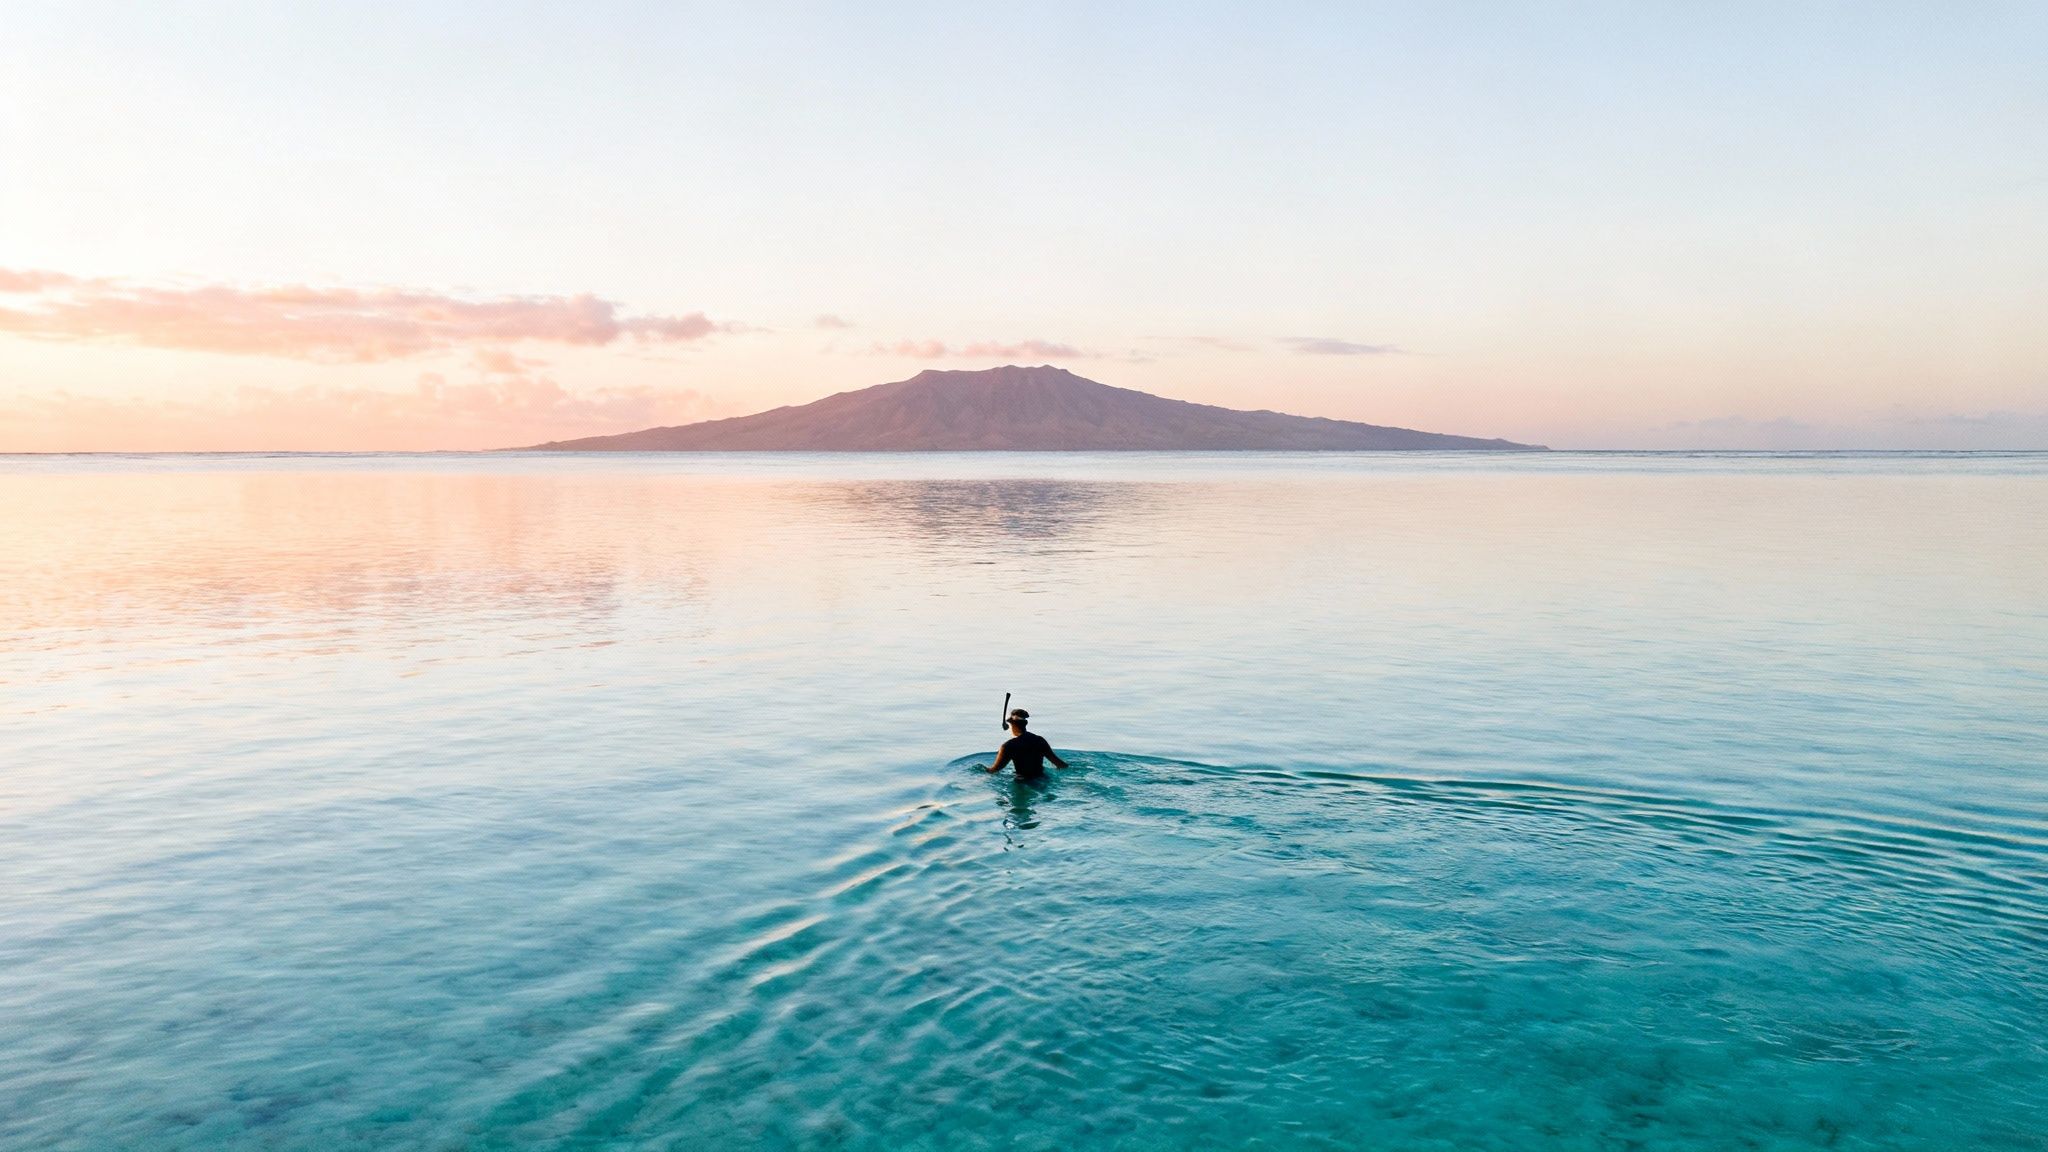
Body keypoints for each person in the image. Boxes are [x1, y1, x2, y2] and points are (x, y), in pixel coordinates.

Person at [985, 708, 1068, 781]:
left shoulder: (1008, 746)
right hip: (1043, 780)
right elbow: (1061, 765)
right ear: (1026, 723)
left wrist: (981, 769)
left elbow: (993, 770)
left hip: (1023, 783)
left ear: (1011, 723)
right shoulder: (1039, 741)